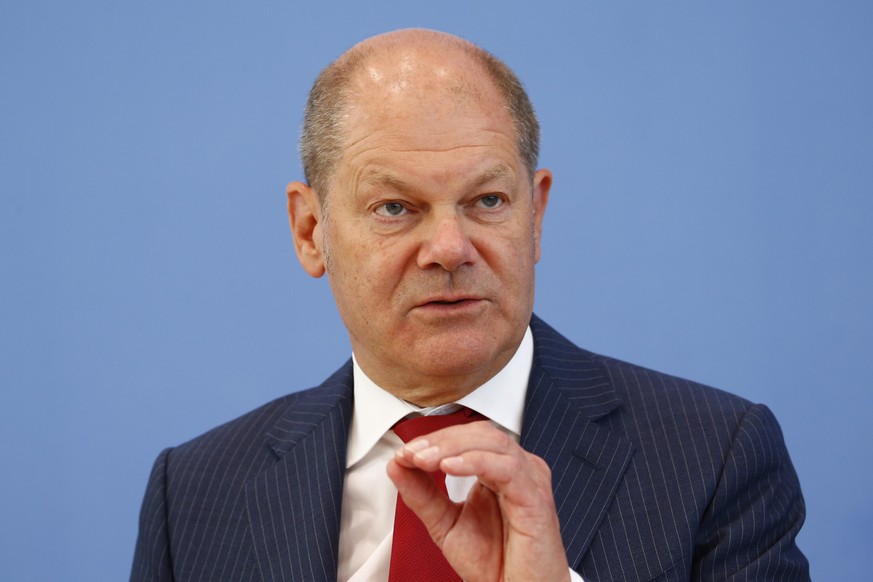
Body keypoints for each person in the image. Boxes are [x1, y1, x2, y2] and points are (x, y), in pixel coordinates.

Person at [130, 29, 809, 581]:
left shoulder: (713, 460)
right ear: (311, 232)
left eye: (487, 201)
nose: (450, 248)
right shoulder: (193, 494)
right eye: (395, 207)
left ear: (535, 214)